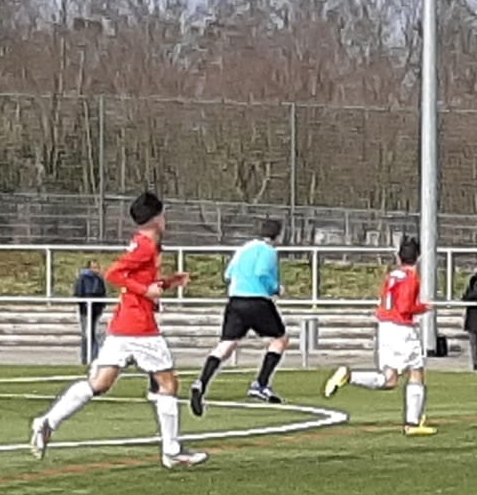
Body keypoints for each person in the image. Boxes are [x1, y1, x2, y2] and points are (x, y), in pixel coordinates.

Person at [30, 193, 206, 468]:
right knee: (168, 384)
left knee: (100, 383)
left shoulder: (143, 244)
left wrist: (168, 282)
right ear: (156, 218)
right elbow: (114, 274)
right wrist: (146, 290)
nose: (165, 220)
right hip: (139, 327)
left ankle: (47, 422)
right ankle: (171, 450)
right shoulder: (145, 246)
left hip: (123, 325)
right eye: (163, 214)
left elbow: (138, 281)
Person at [323, 236, 435, 437]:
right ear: (418, 257)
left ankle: (349, 376)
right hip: (402, 329)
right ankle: (412, 423)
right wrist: (423, 307)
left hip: (385, 327)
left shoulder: (392, 276)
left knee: (389, 380)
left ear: (399, 257)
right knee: (416, 370)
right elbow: (405, 307)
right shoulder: (411, 277)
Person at [190, 218, 289, 414]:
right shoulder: (268, 250)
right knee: (280, 339)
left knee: (226, 344)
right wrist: (275, 288)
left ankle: (201, 382)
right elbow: (261, 272)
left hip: (235, 301)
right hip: (257, 300)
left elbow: (228, 274)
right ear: (278, 235)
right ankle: (261, 384)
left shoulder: (244, 248)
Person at [73, 260, 108, 363]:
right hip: (86, 311)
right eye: (94, 267)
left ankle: (93, 357)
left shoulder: (99, 279)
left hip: (96, 311)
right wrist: (84, 305)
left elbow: (102, 294)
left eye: (97, 267)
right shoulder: (83, 278)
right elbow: (79, 293)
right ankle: (85, 357)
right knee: (86, 334)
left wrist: (101, 306)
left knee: (94, 334)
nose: (96, 269)